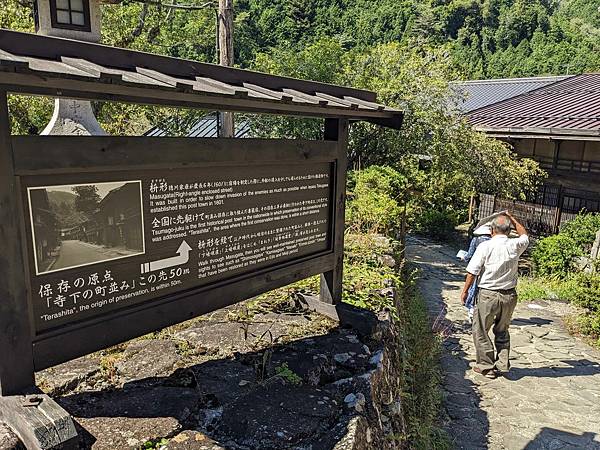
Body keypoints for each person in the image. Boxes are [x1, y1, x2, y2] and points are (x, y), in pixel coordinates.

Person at [460, 212, 529, 379]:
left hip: (488, 295)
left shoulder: (485, 246)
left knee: (481, 330)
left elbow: (472, 271)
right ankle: (502, 364)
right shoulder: (515, 245)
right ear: (509, 230)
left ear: (492, 230)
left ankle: (486, 366)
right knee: (502, 330)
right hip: (509, 296)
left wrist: (465, 291)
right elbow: (524, 234)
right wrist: (511, 218)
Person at [461, 225, 492, 323]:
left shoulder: (476, 239)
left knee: (473, 288)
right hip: (489, 270)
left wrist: (464, 258)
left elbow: (470, 254)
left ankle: (471, 311)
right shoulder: (493, 240)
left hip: (476, 267)